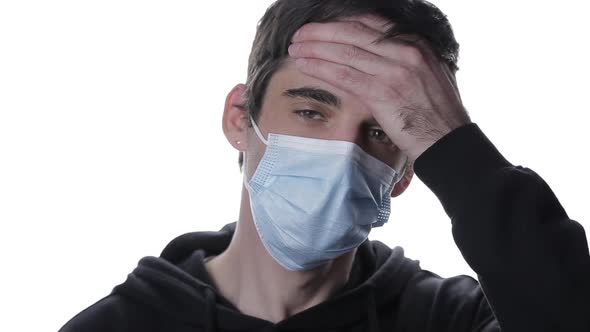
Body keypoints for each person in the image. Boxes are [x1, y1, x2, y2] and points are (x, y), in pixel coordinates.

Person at [59, 0, 590, 331]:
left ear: (406, 170)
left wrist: (452, 142)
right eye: (312, 111)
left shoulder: (458, 319)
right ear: (240, 119)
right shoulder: (121, 324)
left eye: (382, 129)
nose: (343, 150)